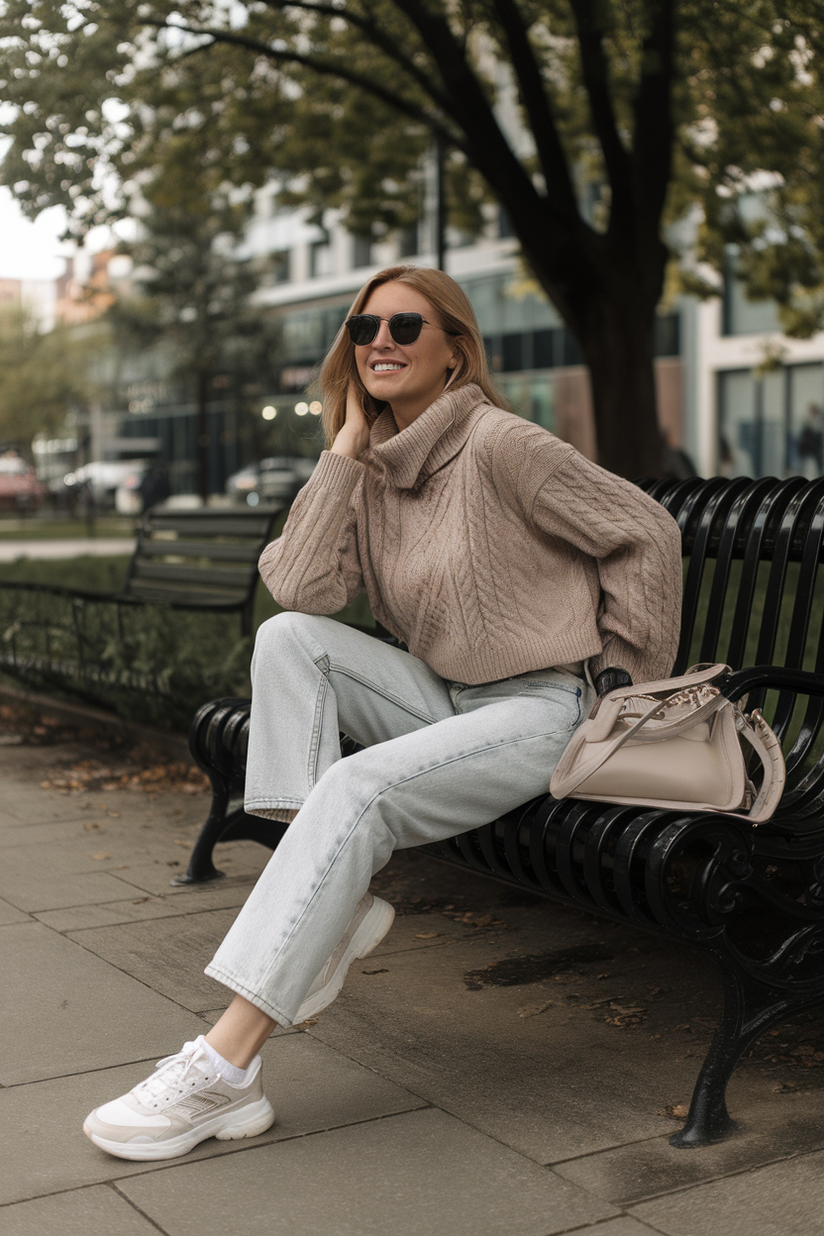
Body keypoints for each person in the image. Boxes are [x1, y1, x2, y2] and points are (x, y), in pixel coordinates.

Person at [83, 265, 683, 1161]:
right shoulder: (371, 469)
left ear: (455, 352)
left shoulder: (501, 444)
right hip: (446, 699)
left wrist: (620, 688)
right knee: (290, 639)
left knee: (358, 789)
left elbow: (647, 530)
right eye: (365, 329)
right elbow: (298, 586)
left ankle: (226, 1065)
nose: (382, 343)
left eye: (408, 327)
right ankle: (332, 907)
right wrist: (342, 455)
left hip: (546, 708)